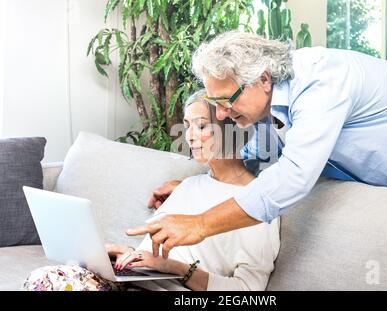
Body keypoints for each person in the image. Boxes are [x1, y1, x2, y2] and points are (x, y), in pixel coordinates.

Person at [126, 30, 387, 259]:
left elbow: (294, 175)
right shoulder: (270, 104)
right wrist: (196, 187)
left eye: (226, 101)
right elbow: (253, 161)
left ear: (264, 80)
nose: (221, 114)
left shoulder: (322, 82)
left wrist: (201, 223)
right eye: (215, 102)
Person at [21, 89, 280, 291]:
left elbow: (248, 291)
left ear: (233, 124)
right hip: (136, 283)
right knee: (46, 277)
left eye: (200, 126)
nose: (189, 136)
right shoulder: (190, 186)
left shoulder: (258, 203)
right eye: (186, 125)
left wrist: (175, 268)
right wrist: (128, 255)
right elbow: (152, 256)